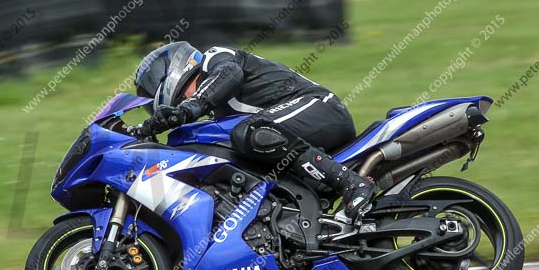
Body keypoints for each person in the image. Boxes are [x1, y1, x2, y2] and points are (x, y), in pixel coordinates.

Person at [133, 42, 377, 222]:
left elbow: (230, 74)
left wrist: (190, 108)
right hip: (296, 132)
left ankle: (352, 183)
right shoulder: (215, 114)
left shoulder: (214, 58)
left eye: (148, 94)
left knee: (249, 131)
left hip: (320, 107)